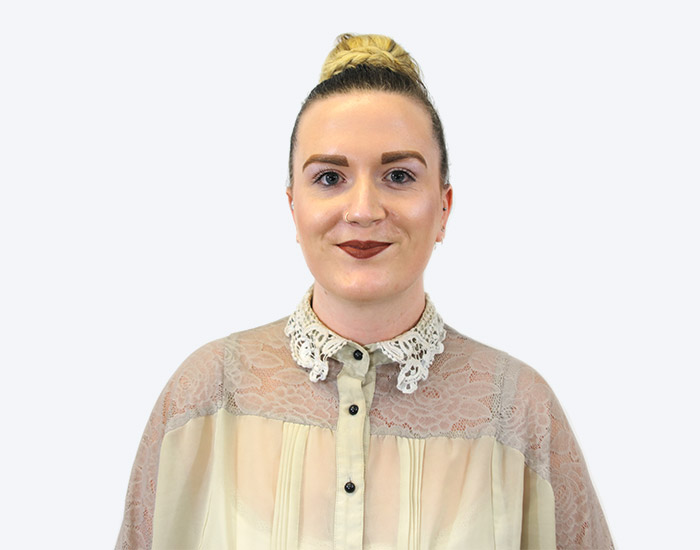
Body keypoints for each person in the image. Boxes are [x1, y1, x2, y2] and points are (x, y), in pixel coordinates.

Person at [115, 34, 613, 550]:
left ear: (444, 208)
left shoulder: (516, 410)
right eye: (330, 177)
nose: (363, 211)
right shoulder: (206, 396)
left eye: (398, 175)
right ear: (293, 206)